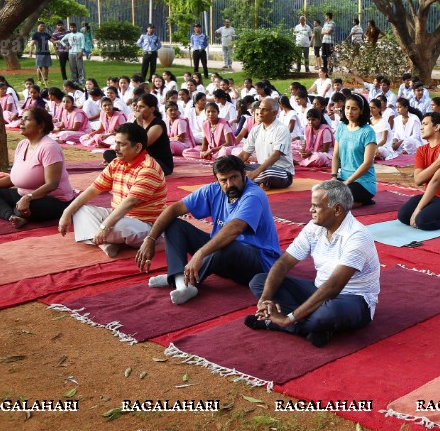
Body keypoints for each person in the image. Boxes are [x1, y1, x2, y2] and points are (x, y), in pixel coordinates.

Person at [247, 180, 381, 347]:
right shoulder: (315, 227)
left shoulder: (357, 236)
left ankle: (279, 324)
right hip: (318, 289)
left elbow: (333, 287)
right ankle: (316, 327)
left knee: (330, 312)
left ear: (337, 209)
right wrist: (265, 299)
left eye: (316, 206)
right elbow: (284, 263)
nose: (311, 210)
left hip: (353, 299)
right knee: (260, 282)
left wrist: (288, 319)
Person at [136, 155, 282, 305]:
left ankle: (186, 281)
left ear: (244, 174)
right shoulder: (213, 190)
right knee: (175, 225)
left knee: (226, 242)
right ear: (217, 180)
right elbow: (174, 208)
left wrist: (200, 253)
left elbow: (235, 229)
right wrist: (150, 239)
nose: (230, 184)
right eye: (224, 180)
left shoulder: (254, 195)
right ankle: (180, 280)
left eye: (234, 178)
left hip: (258, 265)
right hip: (223, 258)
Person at [58, 123, 166, 257]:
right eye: (116, 143)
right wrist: (67, 212)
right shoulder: (116, 163)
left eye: (122, 144)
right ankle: (106, 243)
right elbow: (93, 189)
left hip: (144, 224)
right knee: (80, 210)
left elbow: (131, 202)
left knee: (120, 225)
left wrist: (104, 226)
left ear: (137, 147)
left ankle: (100, 238)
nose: (116, 148)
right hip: (117, 214)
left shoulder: (148, 168)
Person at [0, 107, 75, 227]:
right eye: (22, 118)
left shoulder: (49, 147)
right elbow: (13, 178)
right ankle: (13, 217)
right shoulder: (22, 144)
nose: (21, 122)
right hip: (24, 195)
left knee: (23, 207)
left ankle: (18, 214)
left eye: (27, 119)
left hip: (53, 200)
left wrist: (28, 197)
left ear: (41, 126)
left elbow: (52, 184)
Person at [398, 113, 440, 230]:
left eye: (425, 124)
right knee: (403, 216)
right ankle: (430, 211)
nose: (421, 128)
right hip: (432, 196)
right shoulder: (421, 150)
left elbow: (436, 181)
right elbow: (418, 180)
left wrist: (418, 209)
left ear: (437, 127)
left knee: (422, 221)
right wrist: (438, 163)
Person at [332, 94, 378, 205]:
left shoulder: (368, 132)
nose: (350, 112)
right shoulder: (342, 127)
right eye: (347, 108)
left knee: (337, 201)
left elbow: (367, 163)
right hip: (343, 178)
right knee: (321, 193)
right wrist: (334, 176)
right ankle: (355, 201)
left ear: (361, 111)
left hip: (363, 183)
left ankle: (362, 201)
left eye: (354, 109)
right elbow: (336, 155)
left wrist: (348, 182)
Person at [239, 98, 294, 190]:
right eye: (260, 108)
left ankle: (249, 180)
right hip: (262, 168)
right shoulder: (255, 130)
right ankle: (258, 181)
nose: (260, 112)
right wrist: (229, 165)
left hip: (281, 172)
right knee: (237, 168)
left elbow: (276, 155)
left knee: (268, 173)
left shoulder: (281, 129)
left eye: (265, 110)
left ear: (274, 113)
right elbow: (244, 154)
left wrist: (255, 173)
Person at [131, 94, 175, 176]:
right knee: (111, 154)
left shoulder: (158, 125)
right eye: (137, 106)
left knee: (145, 162)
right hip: (142, 159)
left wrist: (139, 123)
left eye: (141, 107)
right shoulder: (136, 122)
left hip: (158, 162)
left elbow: (143, 144)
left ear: (152, 109)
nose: (137, 109)